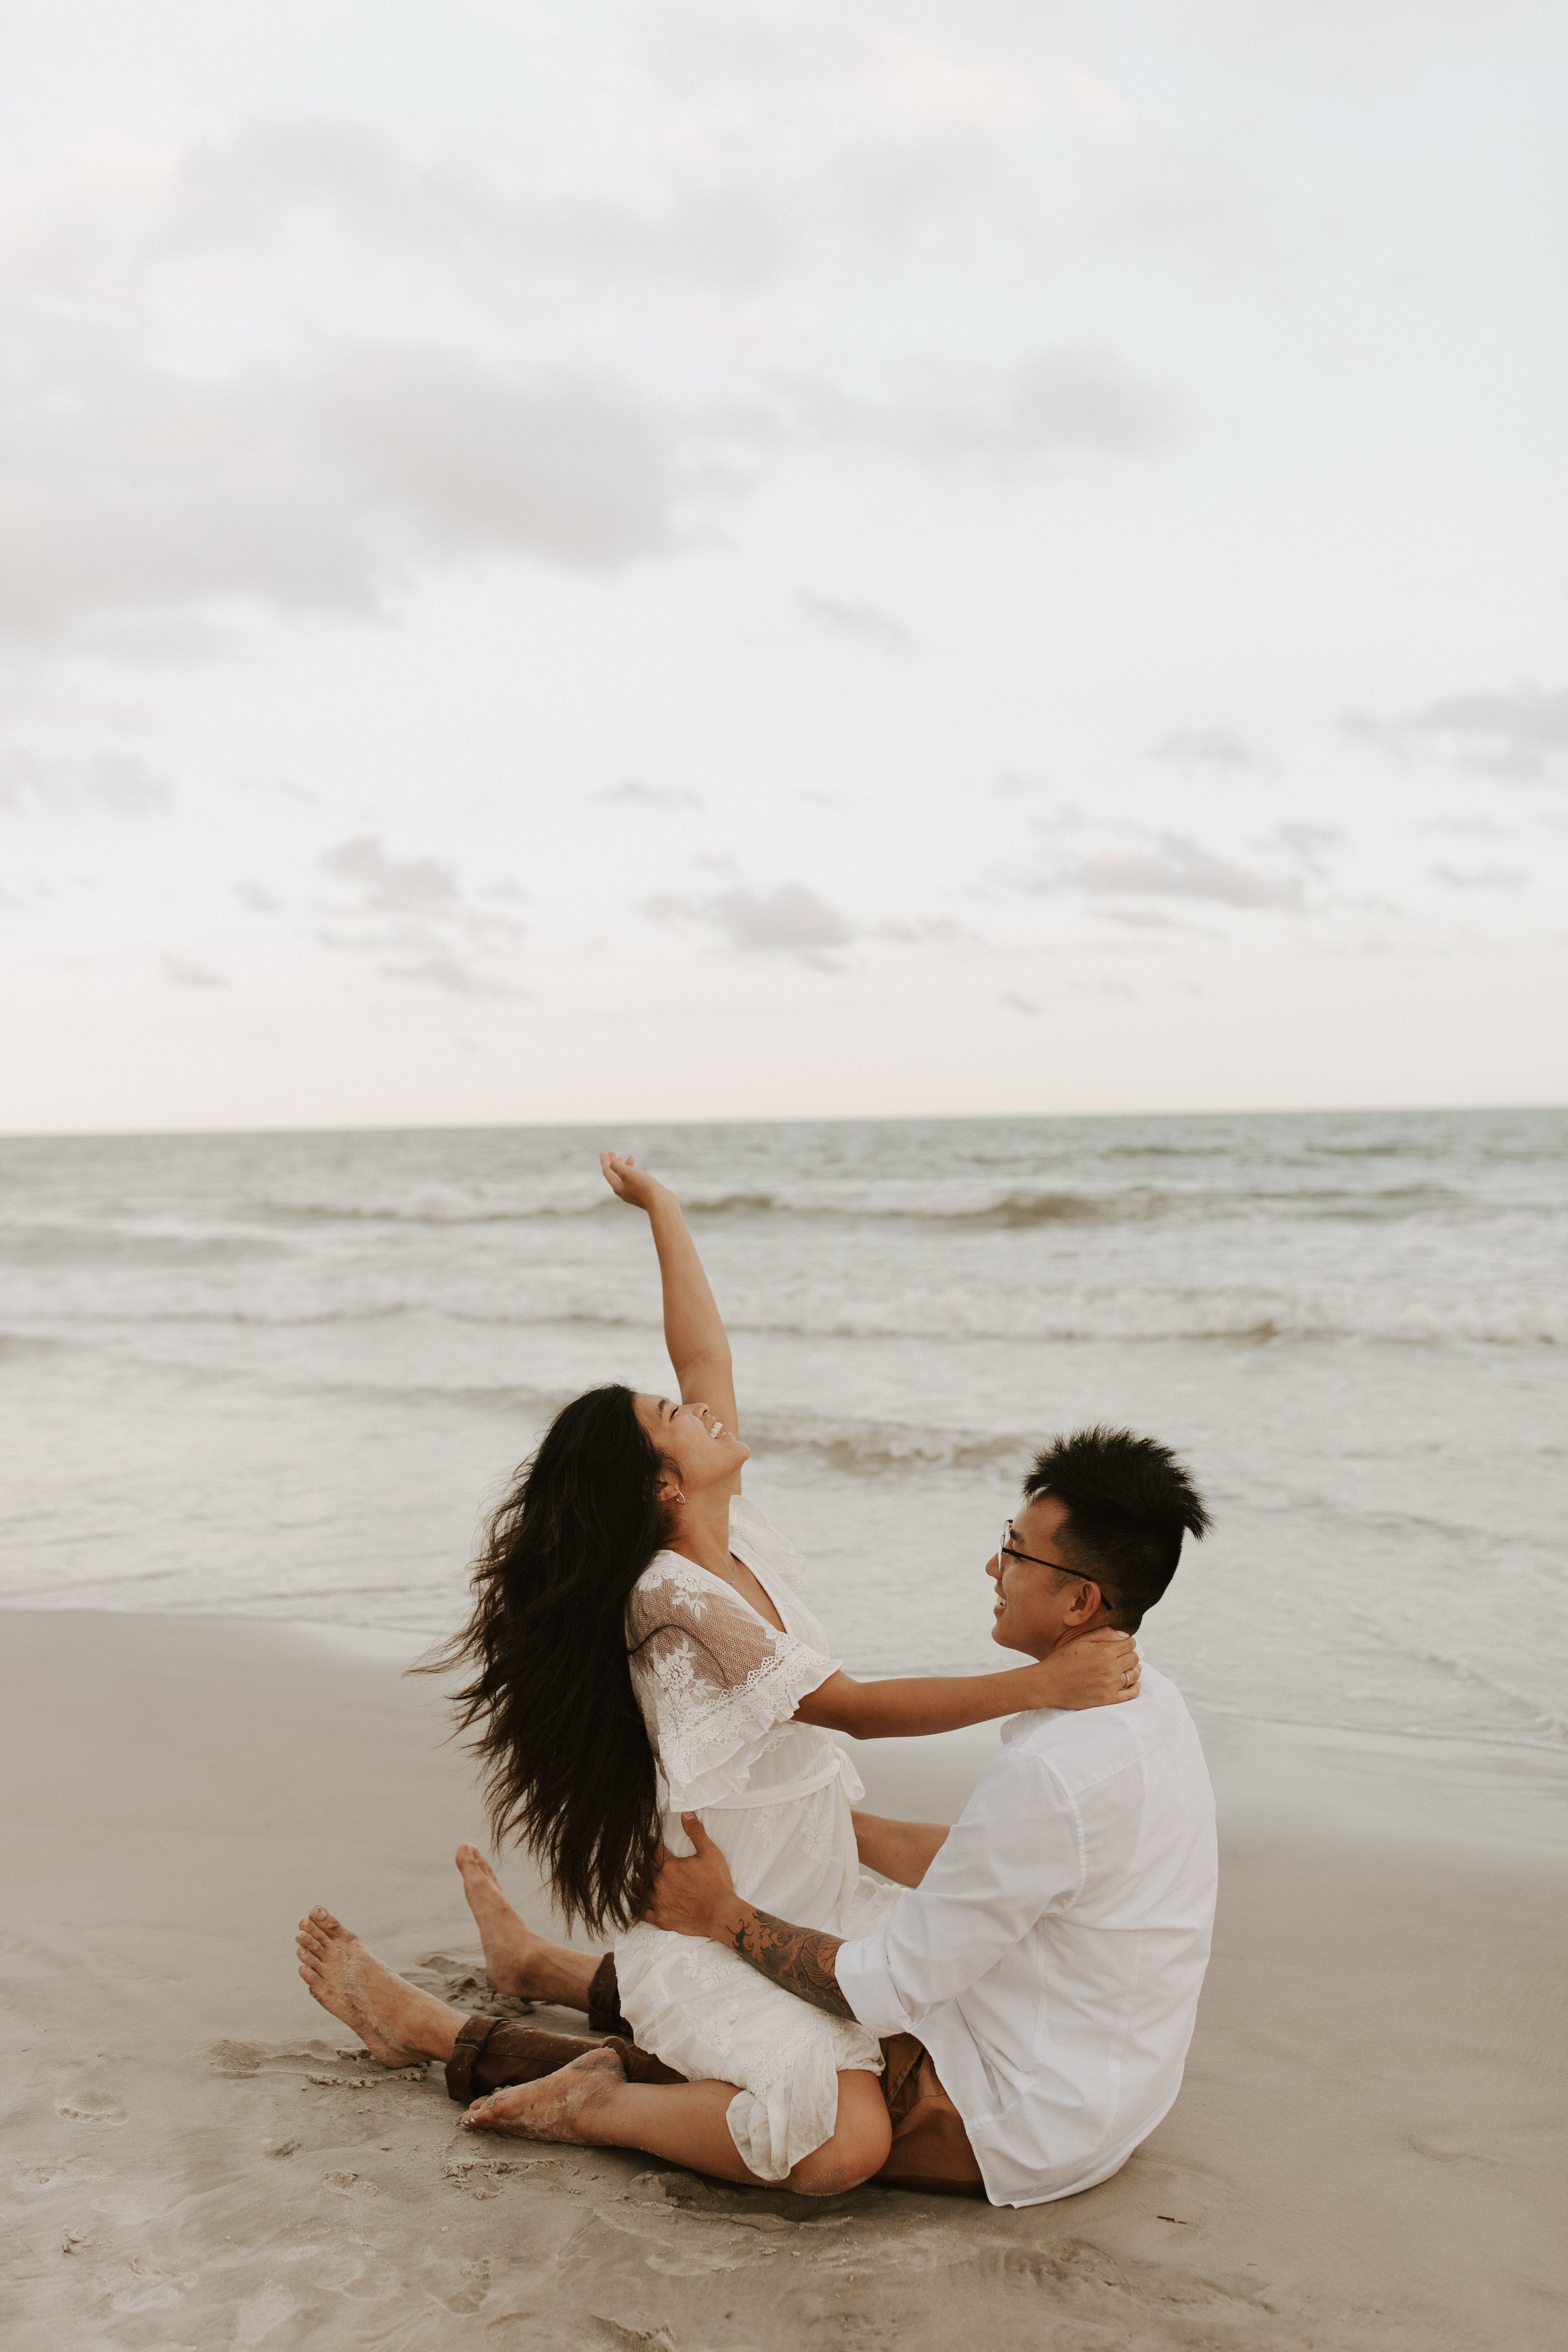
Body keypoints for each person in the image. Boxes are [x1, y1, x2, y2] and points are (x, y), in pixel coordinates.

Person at [297, 1152, 1145, 2196]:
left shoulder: (735, 1542)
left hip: (804, 1899)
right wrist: (1037, 1686)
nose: (704, 1411)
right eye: (674, 1417)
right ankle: (595, 2101)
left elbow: (703, 1352)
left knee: (970, 1996)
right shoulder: (674, 1596)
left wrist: (664, 1208)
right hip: (721, 1927)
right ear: (661, 1486)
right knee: (844, 2141)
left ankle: (540, 1973)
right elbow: (849, 1711)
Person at [295, 1424, 1217, 2205]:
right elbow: (984, 1860)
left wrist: (721, 1914)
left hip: (1011, 2111)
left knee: (802, 2089)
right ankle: (547, 1968)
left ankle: (456, 2041)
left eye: (1015, 1550)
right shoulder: (1145, 1701)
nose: (994, 1563)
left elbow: (880, 1989)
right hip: (1107, 2073)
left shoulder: (1054, 1773)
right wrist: (825, 1830)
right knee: (805, 1930)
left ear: (1080, 1600)